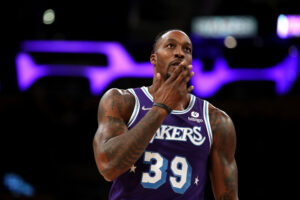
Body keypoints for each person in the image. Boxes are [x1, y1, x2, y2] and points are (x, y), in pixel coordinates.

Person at [93, 29, 239, 200]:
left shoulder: (215, 120)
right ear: (153, 59)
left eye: (187, 50)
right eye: (171, 46)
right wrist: (161, 108)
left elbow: (228, 196)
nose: (179, 53)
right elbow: (108, 167)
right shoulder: (122, 101)